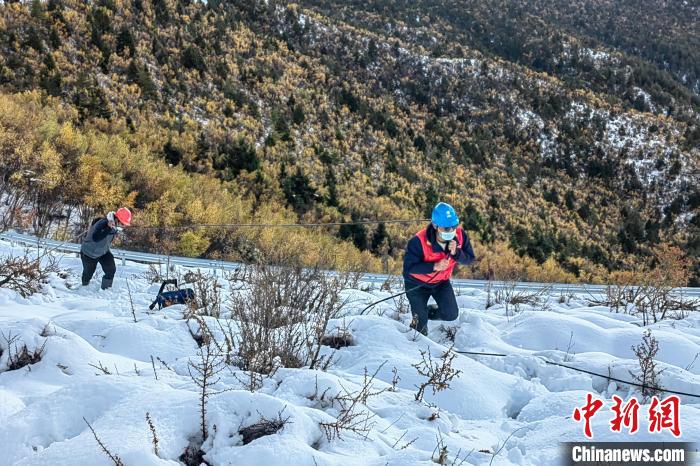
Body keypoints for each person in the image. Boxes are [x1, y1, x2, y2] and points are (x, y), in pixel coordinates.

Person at [402, 202, 476, 335]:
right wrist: (434, 266)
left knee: (451, 314)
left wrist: (457, 253)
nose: (451, 231)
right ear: (435, 226)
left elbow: (469, 258)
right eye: (446, 228)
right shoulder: (418, 241)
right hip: (416, 284)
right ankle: (418, 320)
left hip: (441, 282)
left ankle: (424, 312)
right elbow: (408, 269)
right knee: (420, 329)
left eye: (454, 226)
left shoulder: (460, 235)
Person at [80, 208, 132, 289]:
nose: (123, 226)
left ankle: (106, 290)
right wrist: (108, 228)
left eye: (124, 224)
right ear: (117, 219)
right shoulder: (103, 223)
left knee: (111, 270)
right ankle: (84, 288)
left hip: (103, 251)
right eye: (122, 223)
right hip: (89, 253)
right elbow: (96, 238)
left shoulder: (114, 225)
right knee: (88, 273)